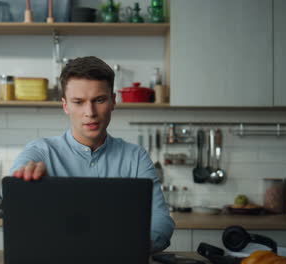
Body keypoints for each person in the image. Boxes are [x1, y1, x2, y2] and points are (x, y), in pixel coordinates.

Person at [10, 56, 175, 251]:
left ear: (113, 101)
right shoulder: (40, 151)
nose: (90, 112)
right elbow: (12, 190)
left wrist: (136, 246)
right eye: (78, 102)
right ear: (65, 106)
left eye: (99, 100)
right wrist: (26, 182)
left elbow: (161, 220)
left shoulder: (136, 157)